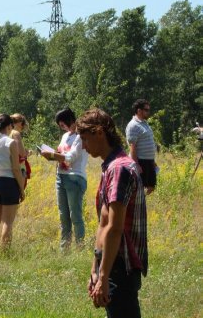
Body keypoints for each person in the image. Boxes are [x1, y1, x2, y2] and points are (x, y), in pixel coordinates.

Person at [77, 109, 148, 318]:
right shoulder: (110, 167)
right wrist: (95, 269)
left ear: (99, 132)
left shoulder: (119, 169)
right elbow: (104, 223)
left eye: (85, 139)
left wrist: (103, 276)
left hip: (120, 265)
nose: (82, 146)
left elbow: (115, 228)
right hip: (111, 263)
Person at [40, 108, 88, 250]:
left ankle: (80, 247)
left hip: (74, 178)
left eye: (62, 125)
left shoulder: (80, 136)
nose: (62, 128)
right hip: (60, 177)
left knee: (75, 215)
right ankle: (64, 249)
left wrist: (53, 155)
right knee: (63, 216)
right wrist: (52, 154)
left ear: (69, 121)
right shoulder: (66, 136)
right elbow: (61, 154)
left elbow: (70, 158)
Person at [0, 114, 25, 247]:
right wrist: (21, 188)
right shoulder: (10, 142)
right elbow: (16, 168)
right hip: (8, 183)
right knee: (7, 221)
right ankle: (5, 252)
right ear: (9, 126)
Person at [125, 99, 157, 195]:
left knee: (151, 186)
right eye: (146, 110)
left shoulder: (144, 123)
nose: (148, 112)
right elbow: (132, 146)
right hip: (141, 161)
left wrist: (153, 161)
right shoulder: (133, 125)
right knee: (138, 189)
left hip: (149, 161)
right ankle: (137, 206)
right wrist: (136, 164)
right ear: (139, 111)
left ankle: (141, 202)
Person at [10, 113, 32, 188]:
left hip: (9, 166)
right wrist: (28, 152)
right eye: (22, 123)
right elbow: (22, 154)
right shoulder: (16, 133)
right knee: (19, 190)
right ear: (19, 123)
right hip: (19, 167)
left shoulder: (6, 132)